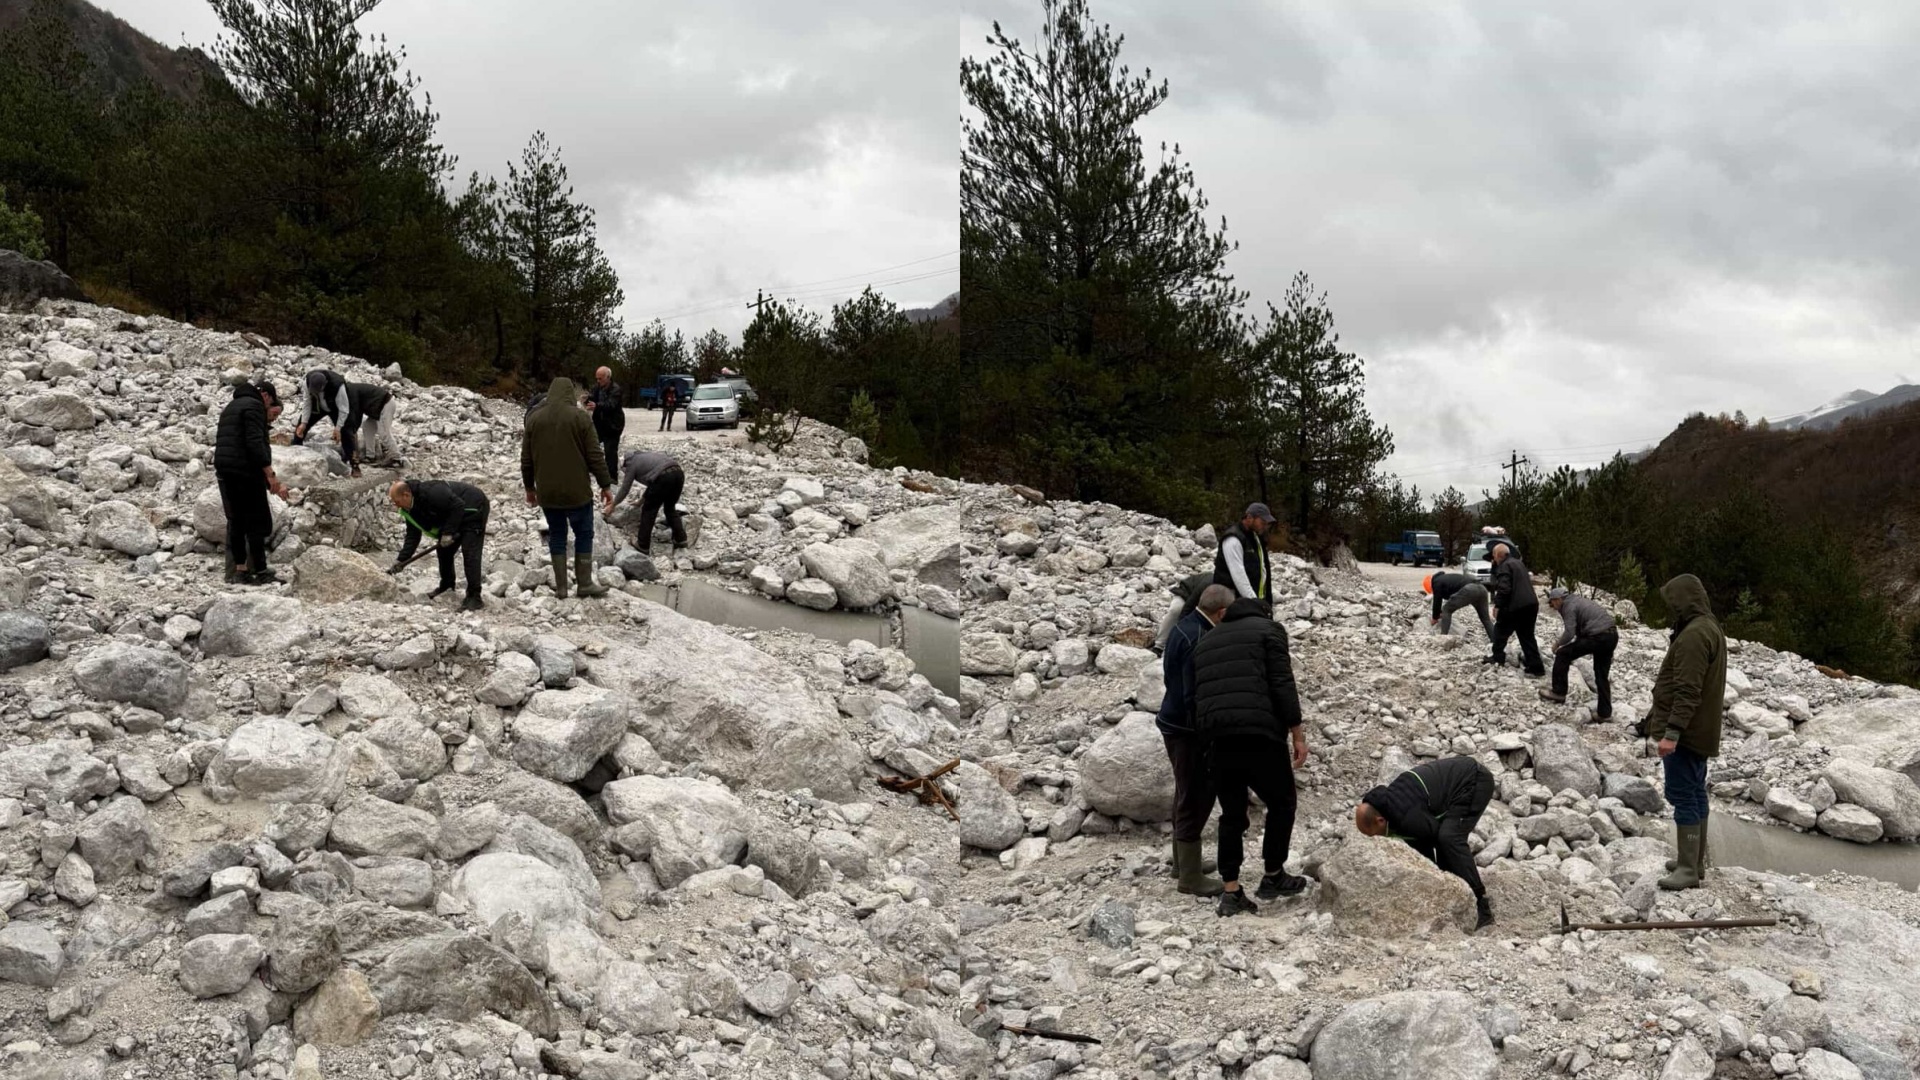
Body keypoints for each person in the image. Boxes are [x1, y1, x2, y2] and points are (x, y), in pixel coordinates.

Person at [1191, 596, 1309, 917]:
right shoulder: (1270, 630)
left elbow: (1196, 695)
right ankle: (1273, 875)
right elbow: (1282, 683)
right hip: (1259, 734)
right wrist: (1297, 732)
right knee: (1282, 802)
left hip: (1217, 739)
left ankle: (1230, 891)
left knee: (1232, 814)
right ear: (1264, 612)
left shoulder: (1206, 641)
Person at [1643, 574, 1726, 891]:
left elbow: (1687, 691)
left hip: (1687, 735)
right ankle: (1694, 863)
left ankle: (1689, 869)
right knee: (1695, 792)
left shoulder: (1693, 636)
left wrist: (1671, 733)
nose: (1670, 609)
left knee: (1683, 796)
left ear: (1683, 601)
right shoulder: (1709, 627)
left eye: (1672, 602)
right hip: (1700, 731)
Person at [1355, 756, 1498, 930]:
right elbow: (1422, 850)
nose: (1379, 839)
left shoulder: (1405, 816)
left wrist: (1437, 882)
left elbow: (1431, 842)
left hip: (1474, 780)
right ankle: (1460, 898)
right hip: (1458, 784)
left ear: (1379, 821)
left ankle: (1481, 906)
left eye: (1375, 835)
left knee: (1449, 839)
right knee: (1444, 847)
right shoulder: (1389, 806)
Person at [1158, 584, 1234, 897]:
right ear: (1221, 612)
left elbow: (1170, 678)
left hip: (1171, 721)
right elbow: (1194, 697)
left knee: (1184, 791)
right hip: (1188, 731)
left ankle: (1182, 862)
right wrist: (1209, 734)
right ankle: (1189, 877)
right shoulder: (1201, 639)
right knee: (1196, 795)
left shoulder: (1184, 626)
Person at [521, 376, 616, 599]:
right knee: (584, 534)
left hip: (548, 493)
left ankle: (562, 588)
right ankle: (584, 584)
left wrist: (529, 488)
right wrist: (605, 485)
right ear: (570, 394)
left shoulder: (534, 419)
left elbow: (526, 460)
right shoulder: (580, 418)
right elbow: (595, 456)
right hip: (577, 493)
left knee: (557, 535)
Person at [213, 380, 288, 585]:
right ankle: (261, 571)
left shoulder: (232, 405)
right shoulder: (254, 406)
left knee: (236, 520)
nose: (267, 407)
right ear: (265, 396)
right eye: (270, 402)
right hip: (245, 471)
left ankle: (240, 571)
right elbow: (254, 443)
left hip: (225, 470)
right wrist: (270, 475)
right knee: (257, 520)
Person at [387, 479, 490, 611]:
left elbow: (458, 505)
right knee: (444, 551)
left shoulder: (433, 492)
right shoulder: (409, 509)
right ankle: (446, 586)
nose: (396, 506)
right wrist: (401, 559)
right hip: (454, 516)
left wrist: (448, 533)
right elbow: (413, 537)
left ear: (406, 495)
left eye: (397, 502)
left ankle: (474, 597)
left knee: (470, 553)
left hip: (473, 508)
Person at [291, 369, 399, 478]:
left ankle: (355, 466)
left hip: (335, 407)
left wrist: (338, 428)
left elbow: (344, 410)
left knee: (347, 432)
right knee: (300, 429)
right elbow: (307, 402)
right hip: (318, 406)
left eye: (319, 390)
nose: (316, 392)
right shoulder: (307, 382)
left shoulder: (339, 386)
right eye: (314, 391)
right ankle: (292, 455)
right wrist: (304, 423)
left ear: (325, 384)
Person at [1541, 586, 1619, 718]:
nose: (1552, 606)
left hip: (1597, 637)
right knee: (1601, 675)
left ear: (1558, 599)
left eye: (1552, 602)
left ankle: (1558, 692)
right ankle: (1604, 713)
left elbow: (1570, 632)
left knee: (1562, 654)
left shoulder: (1568, 606)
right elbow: (1580, 631)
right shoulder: (1578, 600)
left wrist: (1557, 644)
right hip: (1611, 636)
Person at [610, 449, 687, 555]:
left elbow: (625, 489)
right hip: (678, 473)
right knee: (670, 508)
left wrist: (613, 505)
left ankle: (642, 545)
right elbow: (652, 483)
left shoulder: (631, 464)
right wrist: (640, 501)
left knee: (649, 511)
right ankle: (681, 539)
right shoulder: (643, 457)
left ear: (624, 465)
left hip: (663, 476)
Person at [1485, 541, 1545, 676]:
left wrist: (1497, 606)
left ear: (1497, 555)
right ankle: (1536, 667)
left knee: (1500, 630)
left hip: (1515, 606)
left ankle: (1497, 657)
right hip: (1531, 604)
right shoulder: (1518, 563)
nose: (1493, 559)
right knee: (1527, 637)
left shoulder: (1504, 566)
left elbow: (1504, 589)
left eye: (1493, 556)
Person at [1213, 503, 1275, 613]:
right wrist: (1255, 603)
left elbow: (1264, 569)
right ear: (1249, 517)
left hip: (1251, 599)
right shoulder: (1233, 539)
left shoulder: (1256, 537)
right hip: (1233, 601)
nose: (1265, 525)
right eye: (1262, 522)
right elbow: (1239, 575)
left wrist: (1266, 601)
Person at [1154, 570, 1217, 653]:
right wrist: (1181, 627)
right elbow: (1189, 606)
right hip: (1186, 594)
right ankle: (1159, 645)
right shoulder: (1208, 583)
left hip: (1206, 602)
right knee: (1176, 610)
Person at [1425, 571, 1494, 640]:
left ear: (1430, 585)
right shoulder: (1445, 579)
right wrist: (1438, 613)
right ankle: (1495, 640)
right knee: (1485, 618)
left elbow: (1437, 601)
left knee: (1446, 609)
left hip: (1470, 590)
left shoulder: (1436, 583)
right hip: (1482, 588)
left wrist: (1435, 617)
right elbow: (1452, 597)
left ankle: (1443, 638)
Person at [585, 366, 625, 469]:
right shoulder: (596, 387)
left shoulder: (616, 389)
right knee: (590, 446)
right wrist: (587, 399)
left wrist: (597, 406)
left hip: (613, 425)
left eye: (600, 378)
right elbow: (592, 398)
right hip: (599, 424)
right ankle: (591, 468)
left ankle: (612, 476)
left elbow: (611, 405)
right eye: (597, 378)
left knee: (610, 451)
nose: (598, 381)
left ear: (608, 377)